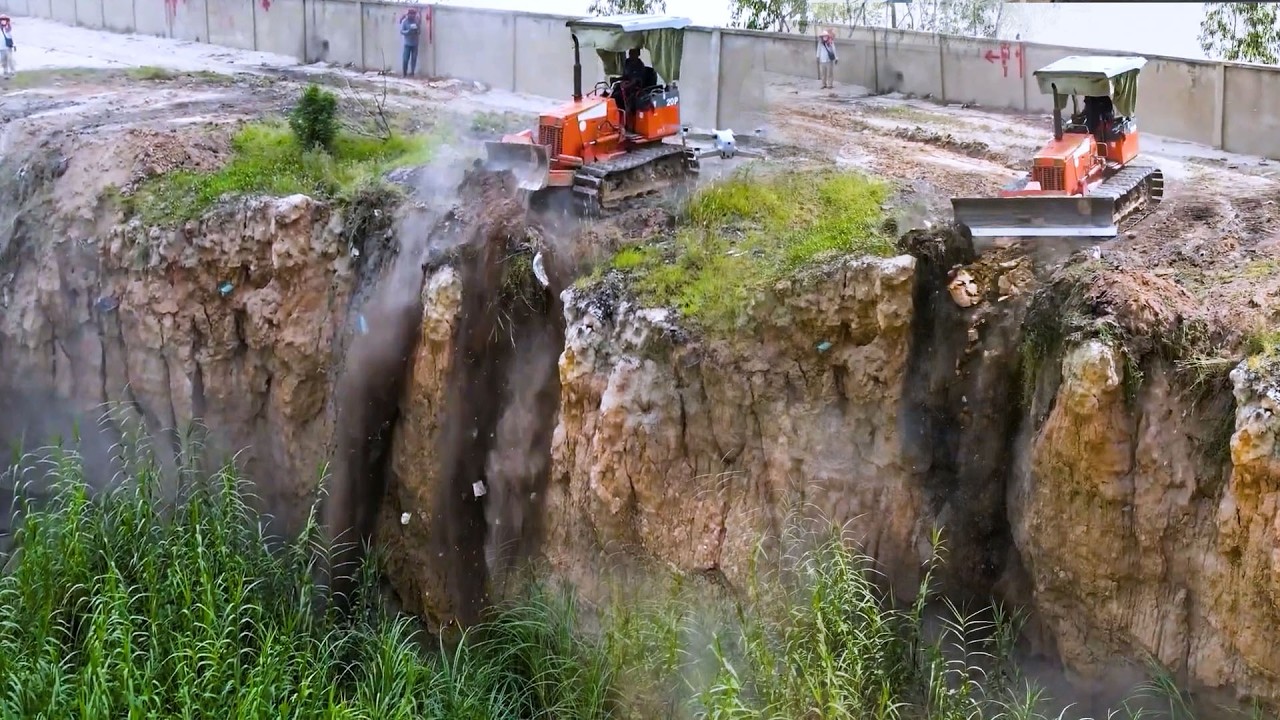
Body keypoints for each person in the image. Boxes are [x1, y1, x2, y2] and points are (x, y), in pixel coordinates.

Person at [400, 8, 421, 78]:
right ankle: (404, 73)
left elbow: (419, 31)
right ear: (408, 15)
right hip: (407, 44)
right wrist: (408, 32)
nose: (412, 16)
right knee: (405, 59)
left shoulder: (416, 21)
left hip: (415, 43)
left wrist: (416, 31)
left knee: (414, 59)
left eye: (413, 14)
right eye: (410, 14)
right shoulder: (405, 22)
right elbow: (402, 31)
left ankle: (412, 73)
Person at [0, 15, 14, 80]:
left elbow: (12, 37)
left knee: (10, 60)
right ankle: (5, 73)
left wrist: (14, 45)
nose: (3, 21)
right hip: (1, 48)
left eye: (5, 20)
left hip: (8, 47)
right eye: (2, 20)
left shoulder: (9, 28)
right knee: (3, 61)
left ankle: (12, 72)